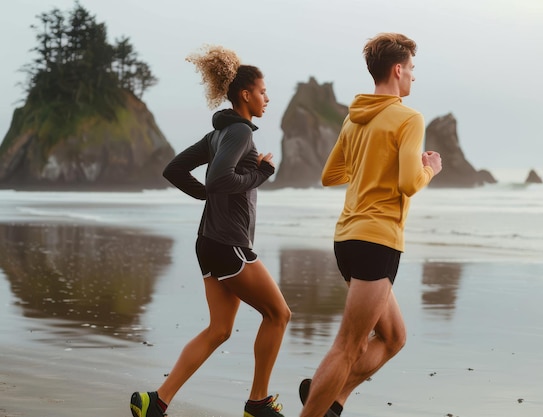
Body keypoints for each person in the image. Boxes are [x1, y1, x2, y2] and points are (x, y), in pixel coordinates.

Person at [129, 45, 291, 417]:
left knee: (219, 330)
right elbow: (221, 178)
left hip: (209, 242)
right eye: (263, 91)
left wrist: (205, 194)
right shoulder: (238, 132)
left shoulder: (216, 135)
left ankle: (156, 401)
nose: (267, 98)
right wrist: (261, 174)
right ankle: (258, 403)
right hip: (228, 244)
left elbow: (174, 169)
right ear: (246, 94)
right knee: (279, 315)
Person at [298, 33, 442, 417]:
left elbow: (330, 175)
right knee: (348, 346)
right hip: (378, 240)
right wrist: (429, 169)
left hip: (347, 239)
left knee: (394, 338)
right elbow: (409, 183)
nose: (413, 76)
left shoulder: (353, 119)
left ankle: (330, 398)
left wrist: (368, 164)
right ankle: (318, 399)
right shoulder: (408, 118)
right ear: (398, 70)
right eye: (411, 68)